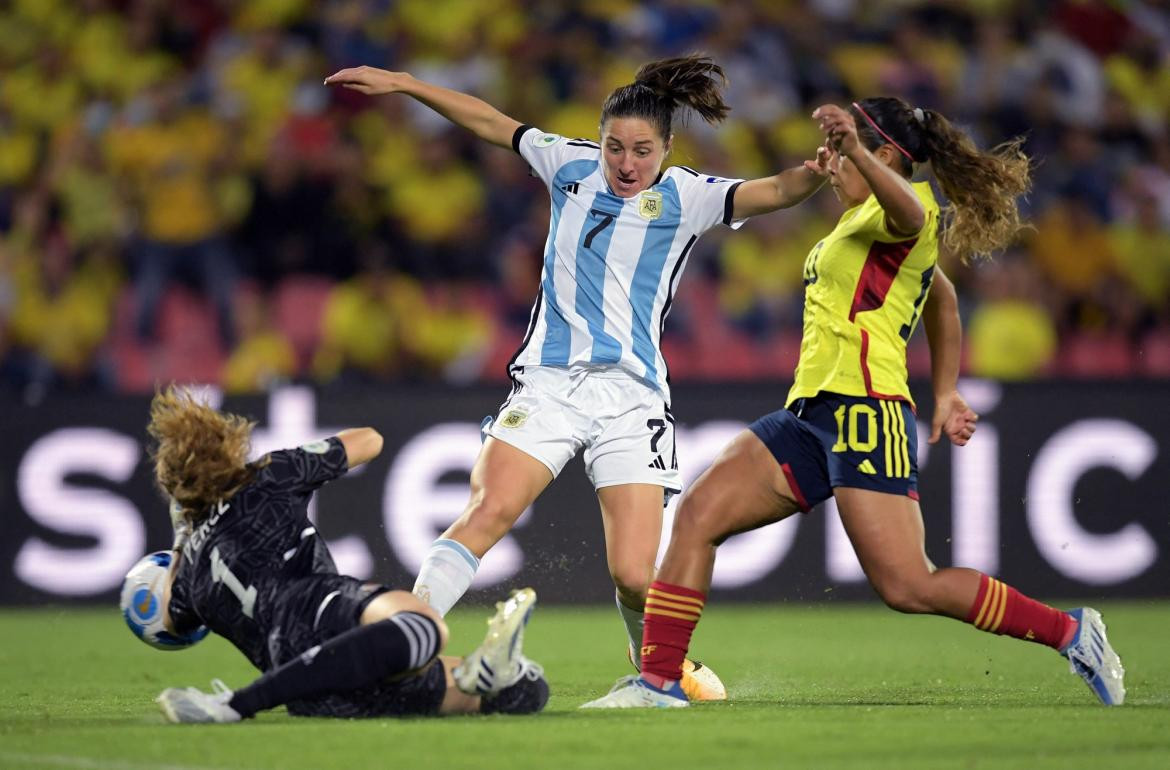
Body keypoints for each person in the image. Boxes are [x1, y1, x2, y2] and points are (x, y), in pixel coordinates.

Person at [581, 97, 1126, 708]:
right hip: (810, 414)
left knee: (909, 585)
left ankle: (1072, 631)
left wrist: (858, 151)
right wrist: (946, 391)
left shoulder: (908, 208)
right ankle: (658, 683)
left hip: (867, 412)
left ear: (886, 156)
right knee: (698, 515)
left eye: (845, 154)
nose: (834, 164)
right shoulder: (860, 224)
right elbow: (941, 301)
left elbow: (913, 224)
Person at [324, 55, 831, 700]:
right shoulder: (567, 164)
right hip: (549, 386)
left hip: (633, 399)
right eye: (614, 147)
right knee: (485, 511)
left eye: (642, 151)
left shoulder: (690, 197)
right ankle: (399, 644)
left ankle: (657, 669)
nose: (625, 164)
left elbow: (779, 191)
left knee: (634, 576)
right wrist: (404, 84)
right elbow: (488, 120)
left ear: (668, 149)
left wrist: (819, 174)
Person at [144, 385, 548, 723]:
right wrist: (289, 461)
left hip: (311, 692)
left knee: (523, 691)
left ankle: (484, 673)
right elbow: (370, 441)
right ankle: (237, 703)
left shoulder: (191, 572)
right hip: (319, 610)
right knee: (425, 626)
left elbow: (168, 623)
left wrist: (183, 540)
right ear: (228, 447)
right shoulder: (267, 477)